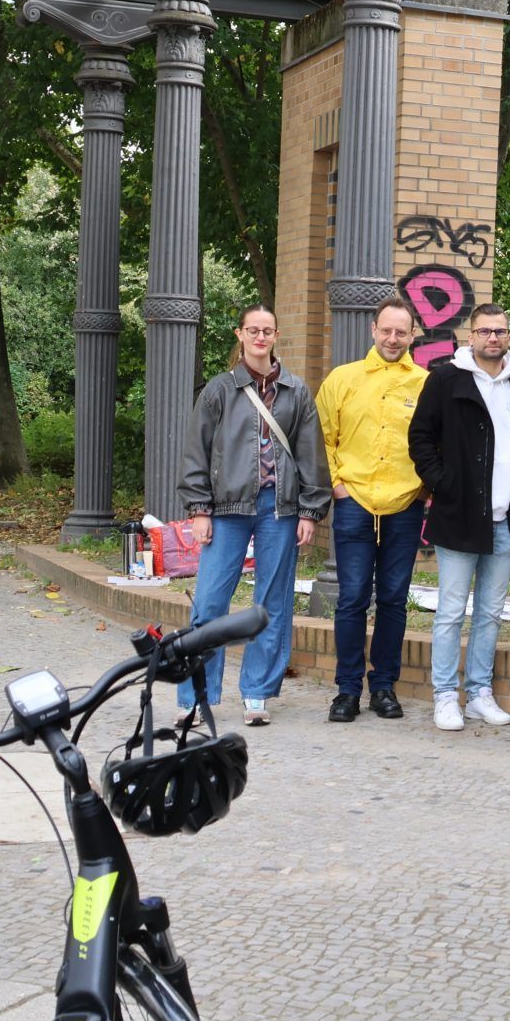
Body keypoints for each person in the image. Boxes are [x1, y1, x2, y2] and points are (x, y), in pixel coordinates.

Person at [176, 304, 325, 724]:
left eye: (267, 331)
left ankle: (257, 693)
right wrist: (199, 508)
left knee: (272, 603)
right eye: (253, 330)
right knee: (209, 603)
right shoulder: (219, 390)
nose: (260, 337)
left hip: (279, 508)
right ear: (239, 334)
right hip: (226, 508)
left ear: (276, 336)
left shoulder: (296, 391)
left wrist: (310, 511)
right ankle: (196, 697)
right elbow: (196, 452)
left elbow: (311, 455)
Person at [407, 301, 510, 733]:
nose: (493, 338)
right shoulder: (446, 379)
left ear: (509, 336)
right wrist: (443, 483)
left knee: (490, 612)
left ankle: (480, 692)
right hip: (460, 514)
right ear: (471, 336)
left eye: (499, 331)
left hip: (506, 519)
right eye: (485, 331)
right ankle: (445, 695)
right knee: (450, 611)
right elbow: (420, 437)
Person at [315, 298, 428, 723]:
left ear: (413, 334)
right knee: (352, 599)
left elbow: (436, 442)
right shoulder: (342, 379)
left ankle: (383, 687)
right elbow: (321, 438)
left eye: (401, 332)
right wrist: (338, 487)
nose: (393, 339)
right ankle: (347, 690)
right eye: (387, 330)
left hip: (404, 504)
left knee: (394, 599)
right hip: (355, 502)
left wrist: (423, 491)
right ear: (373, 330)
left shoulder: (425, 384)